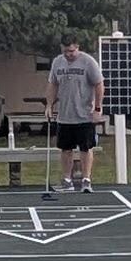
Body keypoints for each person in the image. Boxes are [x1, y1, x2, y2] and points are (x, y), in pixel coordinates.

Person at [47, 33, 105, 193]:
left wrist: (97, 108)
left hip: (84, 114)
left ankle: (86, 180)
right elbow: (52, 84)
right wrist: (49, 105)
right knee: (65, 149)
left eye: (71, 51)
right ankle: (67, 181)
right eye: (65, 51)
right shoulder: (57, 62)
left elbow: (99, 84)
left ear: (77, 47)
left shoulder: (88, 62)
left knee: (86, 148)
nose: (68, 54)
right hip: (65, 116)